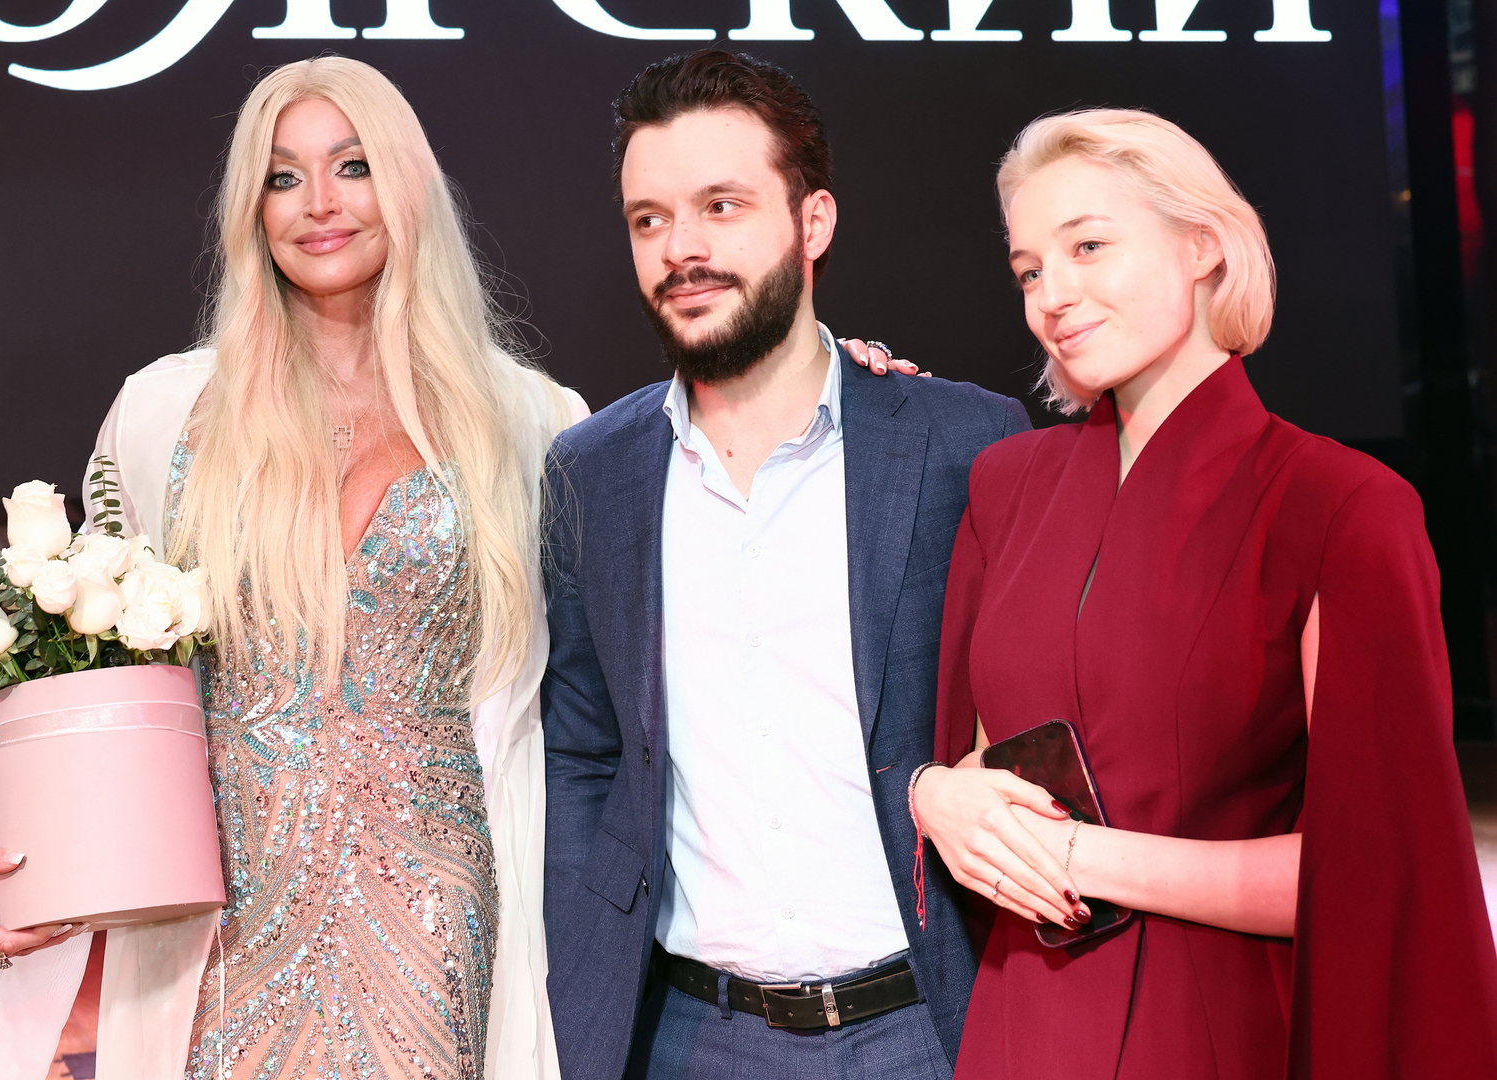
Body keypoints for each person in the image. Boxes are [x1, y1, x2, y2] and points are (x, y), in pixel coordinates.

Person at [0, 56, 585, 1080]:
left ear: (410, 183)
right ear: (251, 211)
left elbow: (590, 713)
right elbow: (77, 681)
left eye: (352, 166)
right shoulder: (165, 415)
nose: (319, 203)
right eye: (282, 176)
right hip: (215, 919)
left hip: (439, 915)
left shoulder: (533, 423)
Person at [913, 108, 1497, 1078]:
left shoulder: (1340, 506)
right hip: (1020, 1024)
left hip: (1218, 1032)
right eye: (1028, 271)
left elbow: (1379, 872)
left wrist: (1080, 859)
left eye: (1088, 247)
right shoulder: (1005, 486)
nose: (1053, 295)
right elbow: (977, 759)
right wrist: (939, 795)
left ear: (1203, 246)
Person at [539, 51, 1034, 1080]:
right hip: (689, 1037)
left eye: (722, 206)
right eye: (649, 218)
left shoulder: (964, 443)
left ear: (813, 222)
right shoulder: (592, 474)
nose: (682, 248)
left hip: (926, 1026)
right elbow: (583, 752)